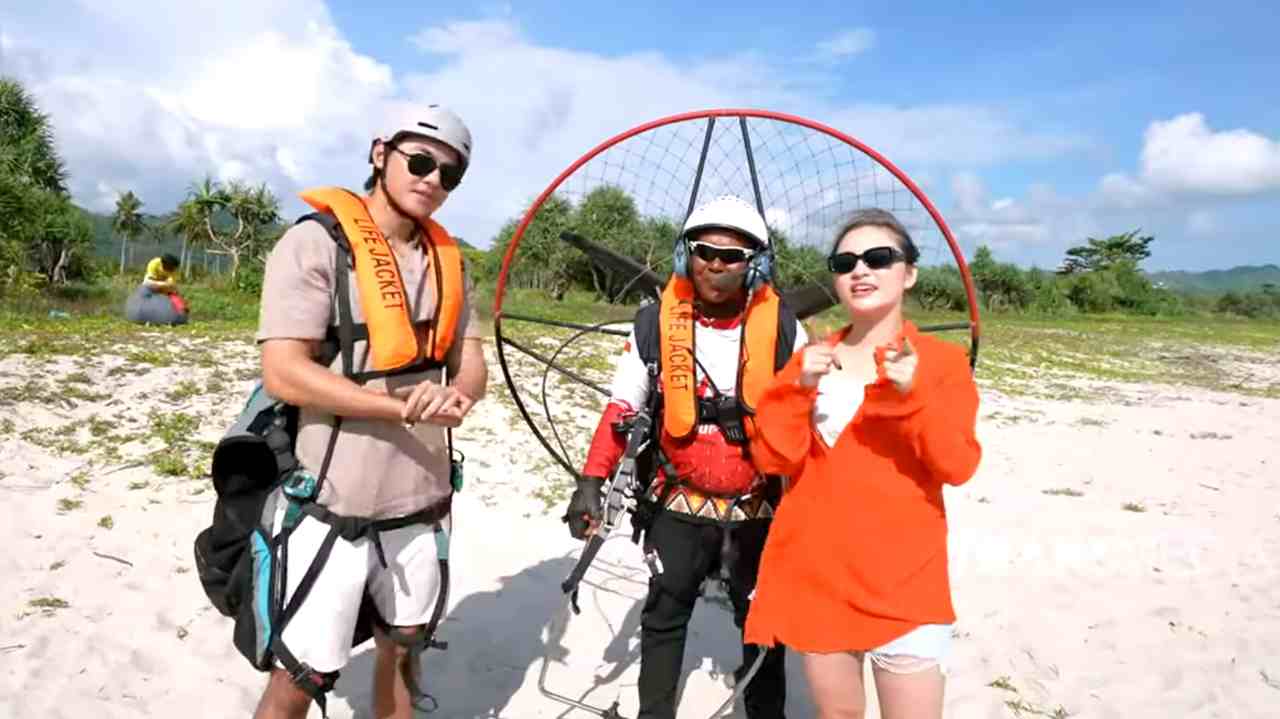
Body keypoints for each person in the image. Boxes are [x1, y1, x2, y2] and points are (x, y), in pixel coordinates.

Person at [250, 105, 487, 719]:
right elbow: (283, 371)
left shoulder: (448, 261)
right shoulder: (315, 243)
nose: (432, 180)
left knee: (404, 652)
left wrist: (458, 395)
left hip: (423, 504)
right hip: (332, 503)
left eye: (450, 174)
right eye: (420, 162)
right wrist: (395, 406)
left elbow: (471, 364)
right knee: (298, 678)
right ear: (381, 154)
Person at [566, 195, 807, 719]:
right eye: (704, 252)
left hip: (759, 508)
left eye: (732, 256)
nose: (716, 265)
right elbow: (623, 406)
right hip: (676, 501)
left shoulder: (786, 330)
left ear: (755, 265)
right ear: (685, 255)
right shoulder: (654, 325)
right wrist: (591, 481)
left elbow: (812, 421)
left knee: (764, 623)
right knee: (664, 616)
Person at [742, 208, 982, 719]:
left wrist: (912, 396)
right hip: (819, 574)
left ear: (909, 273)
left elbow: (957, 465)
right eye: (844, 262)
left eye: (878, 258)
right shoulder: (810, 359)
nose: (860, 270)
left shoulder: (941, 363)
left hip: (906, 581)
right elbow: (773, 457)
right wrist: (797, 388)